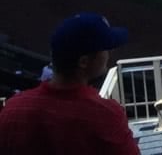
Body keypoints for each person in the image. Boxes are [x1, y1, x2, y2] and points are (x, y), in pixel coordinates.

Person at [0, 12, 139, 153]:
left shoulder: (13, 109)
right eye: (105, 49)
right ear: (84, 62)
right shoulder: (105, 116)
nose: (109, 53)